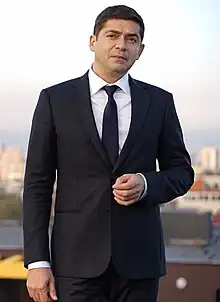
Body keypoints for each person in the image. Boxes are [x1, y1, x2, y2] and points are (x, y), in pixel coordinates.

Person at [23, 4, 194, 302]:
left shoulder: (160, 102)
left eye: (131, 39)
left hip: (140, 262)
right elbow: (37, 184)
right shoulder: (55, 100)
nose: (121, 45)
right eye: (113, 35)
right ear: (93, 41)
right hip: (74, 262)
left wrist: (146, 184)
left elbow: (182, 172)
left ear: (140, 49)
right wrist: (38, 261)